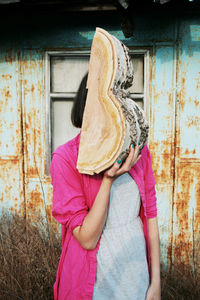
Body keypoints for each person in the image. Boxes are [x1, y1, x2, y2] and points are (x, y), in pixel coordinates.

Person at [50, 73, 161, 300]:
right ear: (86, 106)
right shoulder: (66, 159)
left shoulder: (138, 151)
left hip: (134, 270)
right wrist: (108, 180)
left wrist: (156, 281)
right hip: (92, 280)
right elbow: (87, 238)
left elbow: (151, 216)